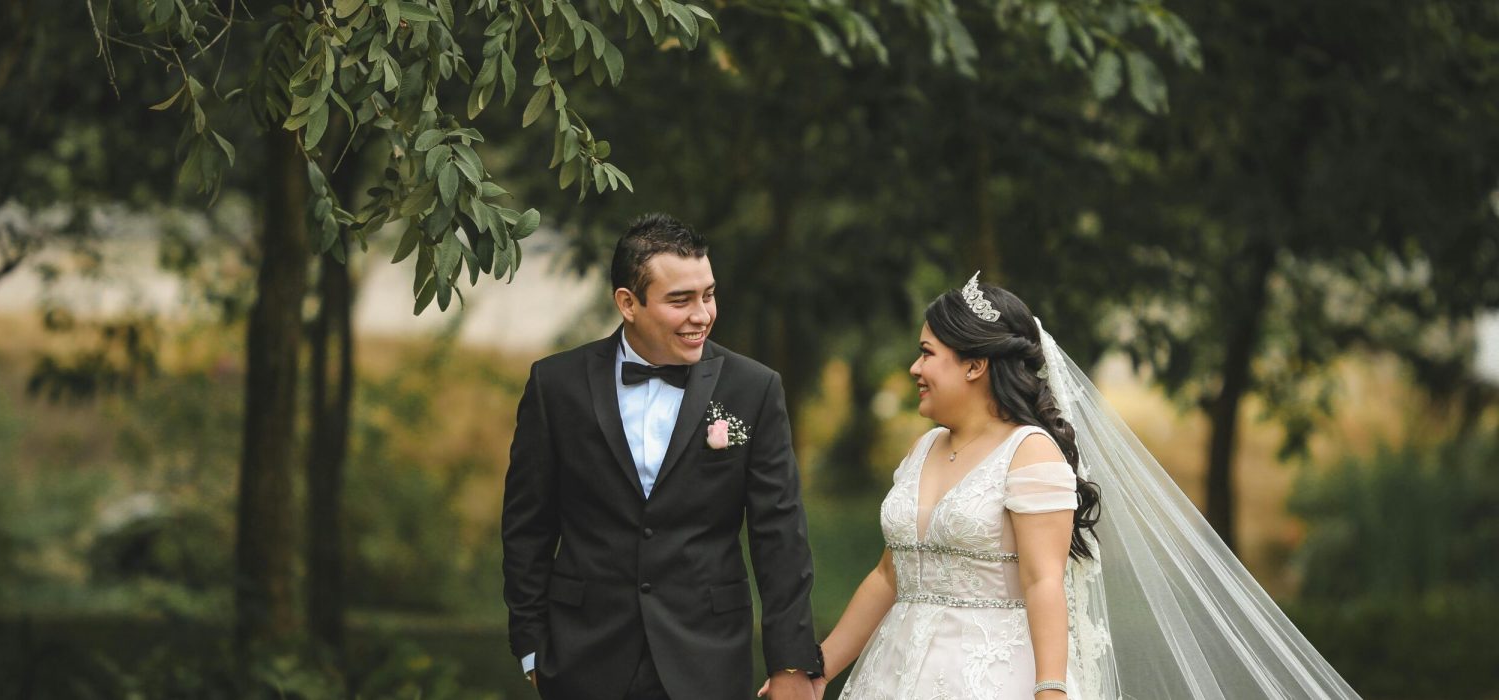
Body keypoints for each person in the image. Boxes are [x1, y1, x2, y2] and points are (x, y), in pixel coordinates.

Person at [784, 274, 1362, 699]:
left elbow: (1043, 581)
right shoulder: (922, 450)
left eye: (927, 353)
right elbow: (888, 575)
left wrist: (1051, 689)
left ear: (974, 365)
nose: (914, 368)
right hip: (894, 674)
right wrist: (819, 673)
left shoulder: (1029, 453)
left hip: (988, 679)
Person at [501, 214, 824, 700]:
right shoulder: (555, 386)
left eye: (708, 295)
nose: (702, 315)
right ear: (627, 303)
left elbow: (779, 535)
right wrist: (530, 646)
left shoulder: (754, 389)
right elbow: (527, 526)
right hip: (581, 657)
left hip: (706, 657)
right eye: (680, 300)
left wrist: (792, 663)